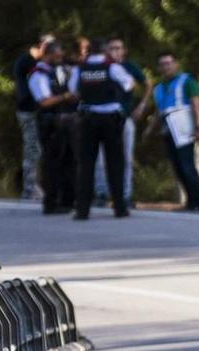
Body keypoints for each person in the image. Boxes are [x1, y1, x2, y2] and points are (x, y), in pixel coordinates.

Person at [69, 38, 135, 219]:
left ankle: (83, 210)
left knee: (86, 165)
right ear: (105, 51)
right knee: (115, 163)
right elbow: (129, 84)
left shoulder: (79, 69)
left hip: (88, 118)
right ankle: (120, 208)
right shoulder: (112, 68)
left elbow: (73, 91)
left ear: (89, 51)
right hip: (111, 119)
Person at [94, 37, 152, 207]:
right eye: (112, 48)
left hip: (124, 117)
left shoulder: (129, 66)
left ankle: (126, 195)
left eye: (118, 48)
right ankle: (102, 193)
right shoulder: (101, 67)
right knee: (100, 157)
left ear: (124, 51)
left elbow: (147, 83)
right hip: (103, 118)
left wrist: (142, 105)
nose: (115, 51)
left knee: (126, 157)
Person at [146, 51, 199, 211]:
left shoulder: (186, 81)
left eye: (169, 63)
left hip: (184, 128)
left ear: (176, 64)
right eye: (163, 64)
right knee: (178, 166)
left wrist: (198, 127)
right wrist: (151, 130)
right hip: (168, 130)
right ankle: (190, 201)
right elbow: (160, 112)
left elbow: (195, 103)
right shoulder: (159, 88)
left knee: (187, 165)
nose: (166, 67)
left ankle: (198, 201)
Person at [29, 41, 78, 215]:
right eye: (56, 56)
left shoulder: (60, 71)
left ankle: (68, 199)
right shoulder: (38, 75)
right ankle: (51, 201)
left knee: (69, 161)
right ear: (48, 55)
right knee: (52, 163)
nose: (60, 58)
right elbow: (44, 101)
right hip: (49, 124)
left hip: (66, 122)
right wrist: (65, 96)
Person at [13, 34, 53, 200]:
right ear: (42, 45)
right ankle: (29, 188)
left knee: (40, 149)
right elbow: (26, 90)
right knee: (32, 148)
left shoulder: (36, 62)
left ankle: (37, 186)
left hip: (38, 111)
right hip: (28, 110)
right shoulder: (28, 62)